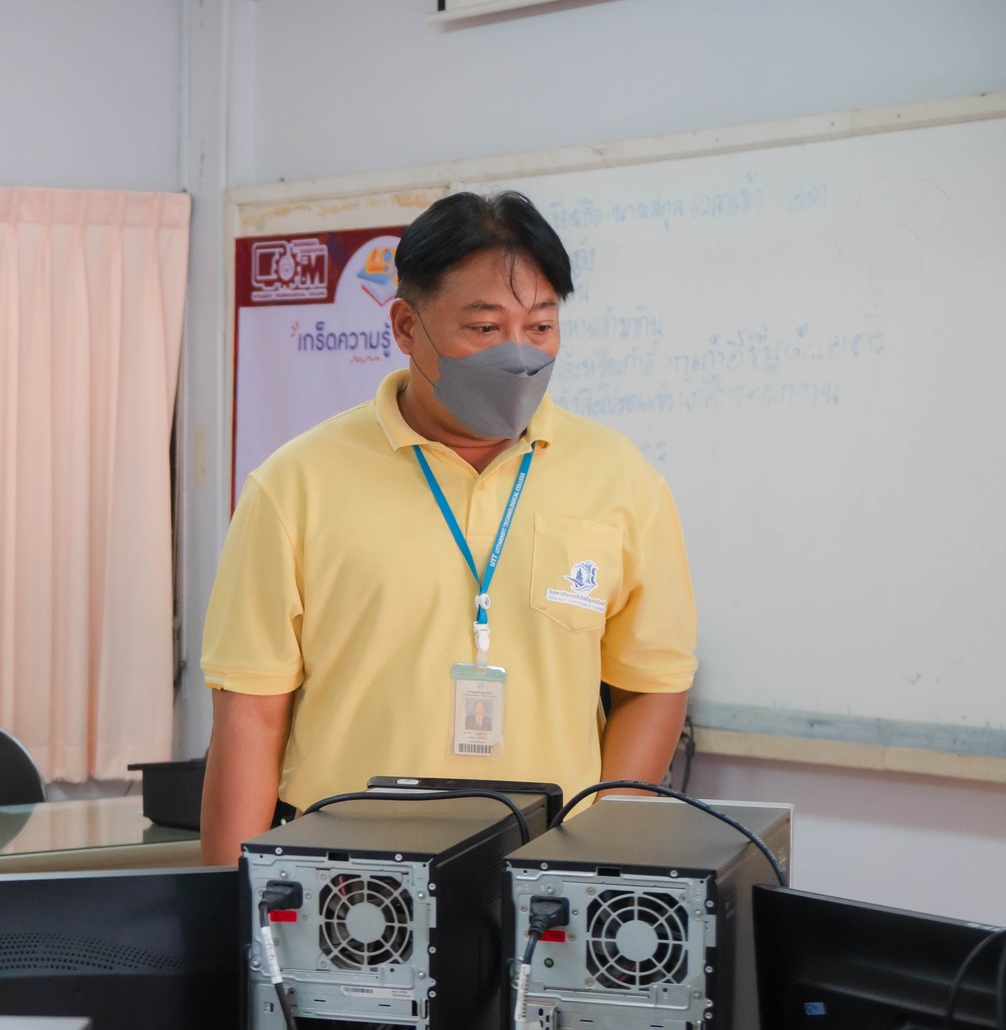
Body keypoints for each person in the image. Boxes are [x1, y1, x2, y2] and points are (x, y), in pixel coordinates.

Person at [199, 191, 697, 864]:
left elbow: (652, 684)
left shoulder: (622, 480)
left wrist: (597, 851)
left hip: (543, 868)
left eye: (542, 327)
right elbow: (252, 717)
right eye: (485, 328)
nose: (518, 354)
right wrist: (232, 911)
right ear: (406, 327)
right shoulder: (295, 485)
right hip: (347, 871)